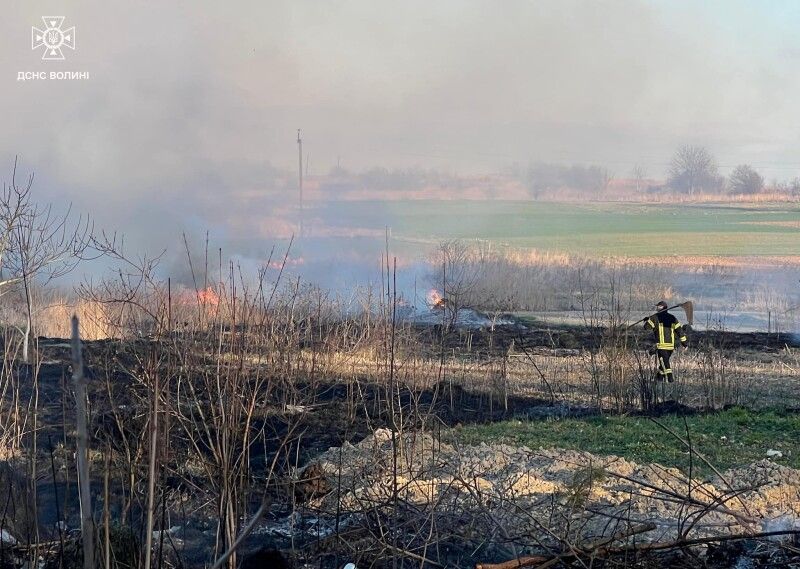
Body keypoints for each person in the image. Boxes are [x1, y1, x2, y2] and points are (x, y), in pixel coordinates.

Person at [645, 301, 688, 382]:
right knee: (663, 363)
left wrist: (648, 320)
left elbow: (647, 327)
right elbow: (680, 332)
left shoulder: (654, 317)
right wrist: (685, 344)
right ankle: (659, 379)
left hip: (661, 346)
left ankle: (670, 379)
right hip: (670, 347)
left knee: (664, 363)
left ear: (661, 307)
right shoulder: (673, 318)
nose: (657, 308)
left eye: (658, 306)